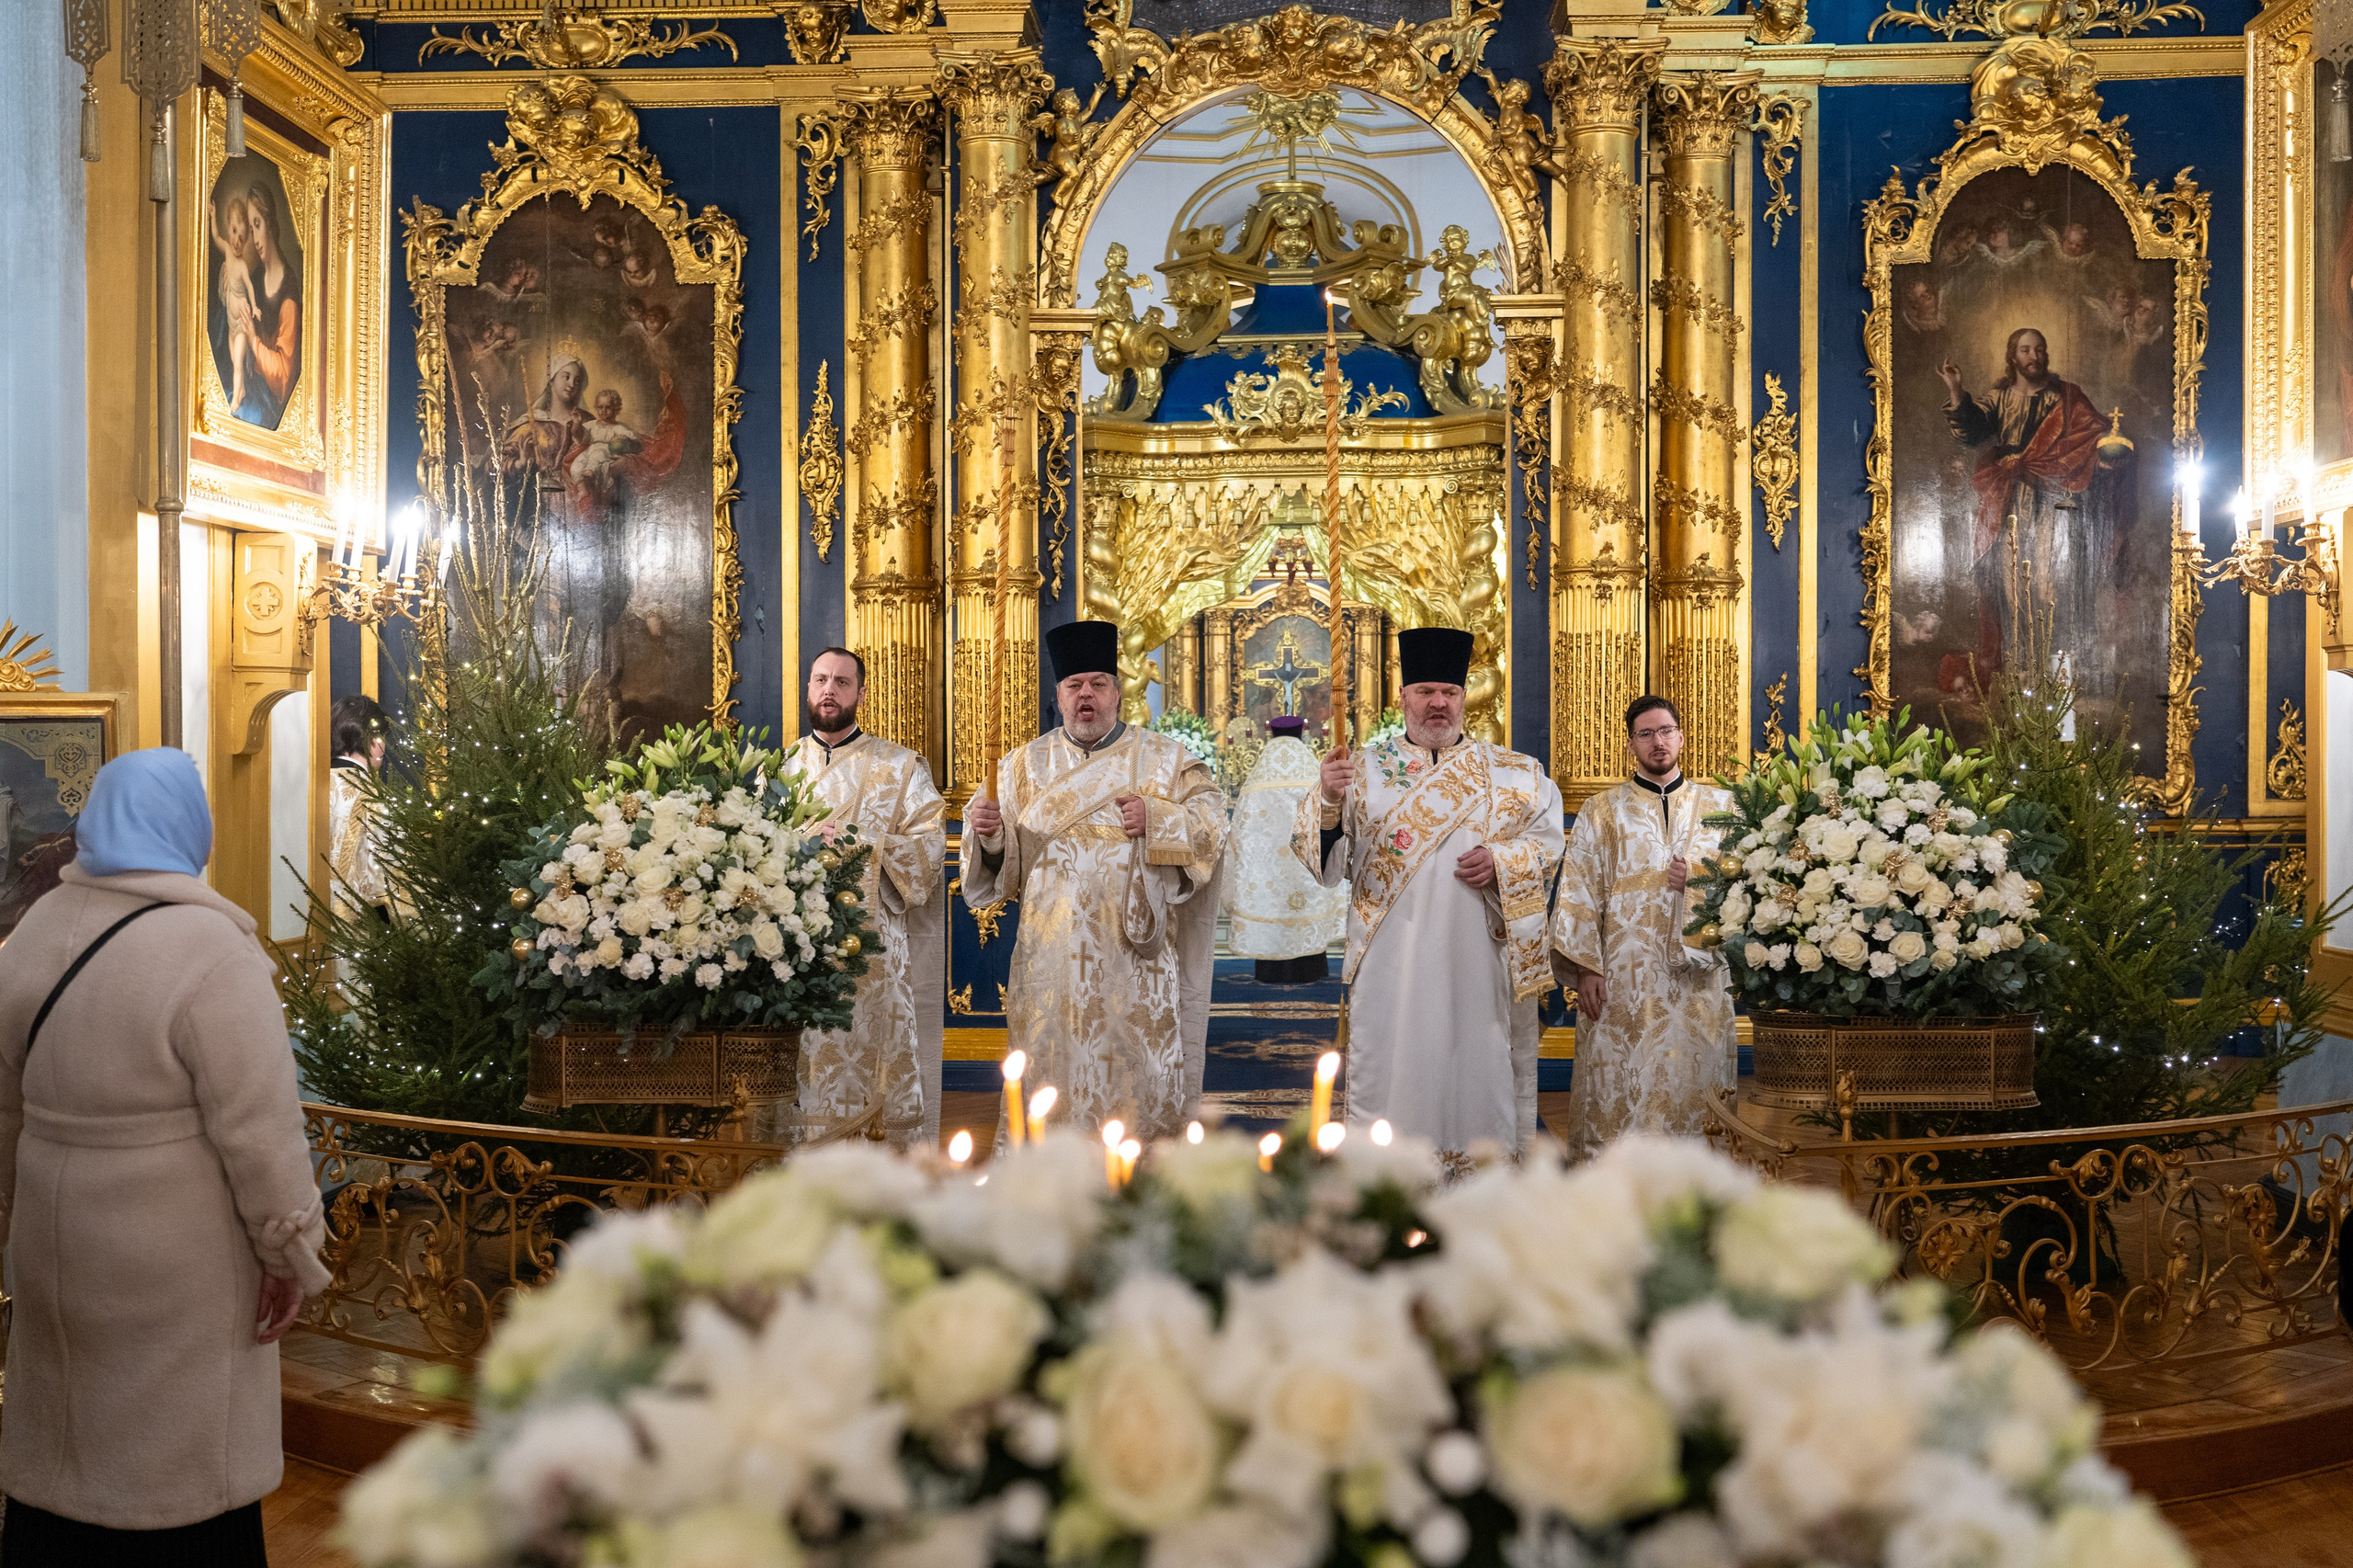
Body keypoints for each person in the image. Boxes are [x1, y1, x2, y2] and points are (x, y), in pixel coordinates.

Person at [0, 747, 329, 1562]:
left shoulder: (35, 927)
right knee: (176, 1464)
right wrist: (291, 1253)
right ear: (190, 825)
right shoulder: (211, 948)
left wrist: (20, 1207)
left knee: (67, 1434)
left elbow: (5, 1104)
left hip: (52, 1231)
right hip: (174, 1256)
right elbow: (261, 1133)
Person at [1293, 628, 1563, 1171]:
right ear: (1403, 698)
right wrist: (1326, 797)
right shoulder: (1360, 771)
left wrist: (1503, 863)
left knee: (1478, 1063)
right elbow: (1323, 861)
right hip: (1395, 965)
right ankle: (1388, 1179)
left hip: (1479, 966)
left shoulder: (1516, 774)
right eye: (1425, 692)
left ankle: (1480, 1178)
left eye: (1448, 692)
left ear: (1465, 699)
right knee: (1394, 1069)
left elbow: (1549, 844)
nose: (1437, 703)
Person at [963, 620, 1227, 1138]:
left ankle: (1143, 1180)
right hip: (1051, 962)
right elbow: (998, 864)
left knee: (1139, 1076)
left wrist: (1159, 819)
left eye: (1098, 684)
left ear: (1117, 693)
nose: (1087, 695)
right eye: (1075, 686)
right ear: (1058, 696)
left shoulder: (1168, 760)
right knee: (1050, 1079)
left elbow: (1213, 824)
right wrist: (991, 837)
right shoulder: (1020, 767)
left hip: (1135, 959)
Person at [770, 648, 947, 1150]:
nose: (830, 690)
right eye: (821, 680)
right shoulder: (780, 769)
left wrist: (856, 842)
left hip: (872, 951)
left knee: (874, 1051)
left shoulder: (901, 767)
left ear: (860, 694)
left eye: (842, 683)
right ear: (807, 689)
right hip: (793, 949)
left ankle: (880, 1169)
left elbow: (930, 846)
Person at [1550, 696, 1737, 1158]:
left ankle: (1700, 1191)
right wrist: (1587, 969)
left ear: (1681, 735)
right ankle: (1613, 1195)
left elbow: (1748, 882)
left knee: (1697, 1087)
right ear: (1632, 742)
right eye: (1647, 733)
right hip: (1623, 981)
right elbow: (1578, 891)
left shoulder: (1722, 807)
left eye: (1667, 730)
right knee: (1621, 1092)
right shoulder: (1601, 810)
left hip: (1699, 980)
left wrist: (1696, 877)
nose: (1659, 742)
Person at [1937, 326, 2131, 696]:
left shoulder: (2065, 397)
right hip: (2008, 496)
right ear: (2014, 357)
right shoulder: (2000, 397)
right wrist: (1955, 390)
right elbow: (1972, 432)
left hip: (2054, 498)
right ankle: (2021, 667)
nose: (2035, 357)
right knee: (2011, 588)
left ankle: (2056, 672)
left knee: (2050, 582)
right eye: (2026, 350)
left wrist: (2103, 456)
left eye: (2040, 349)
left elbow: (2093, 437)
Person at [1222, 714, 1346, 983]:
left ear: (1272, 734)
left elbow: (1240, 834)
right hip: (1305, 870)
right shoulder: (1315, 775)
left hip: (1267, 872)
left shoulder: (1255, 782)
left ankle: (1270, 970)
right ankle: (1311, 968)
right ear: (1302, 732)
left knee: (1272, 900)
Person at [328, 694, 391, 922]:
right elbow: (388, 872)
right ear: (373, 742)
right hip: (355, 924)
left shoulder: (312, 783)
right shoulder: (369, 793)